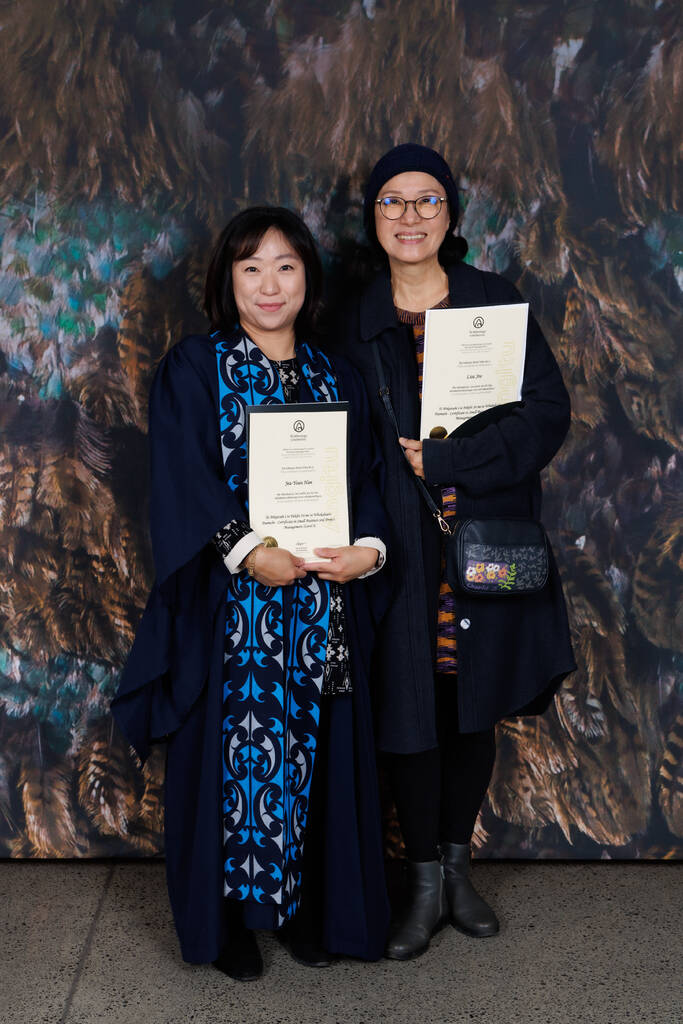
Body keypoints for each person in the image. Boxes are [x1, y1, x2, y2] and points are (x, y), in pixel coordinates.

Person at [112, 206, 391, 980]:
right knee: (231, 764)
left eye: (286, 267)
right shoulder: (195, 368)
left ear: (309, 278)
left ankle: (304, 910)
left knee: (318, 757)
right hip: (230, 612)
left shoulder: (336, 375)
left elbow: (363, 479)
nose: (270, 285)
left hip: (318, 609)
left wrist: (365, 550)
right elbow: (181, 478)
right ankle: (231, 919)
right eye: (251, 268)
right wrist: (247, 550)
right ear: (226, 280)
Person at [336, 144, 576, 960]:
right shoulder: (351, 320)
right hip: (395, 554)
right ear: (373, 220)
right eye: (392, 202)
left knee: (471, 705)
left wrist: (448, 462)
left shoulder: (492, 302)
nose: (410, 216)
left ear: (451, 215)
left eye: (427, 200)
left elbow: (544, 415)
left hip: (484, 542)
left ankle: (456, 867)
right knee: (409, 709)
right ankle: (422, 888)